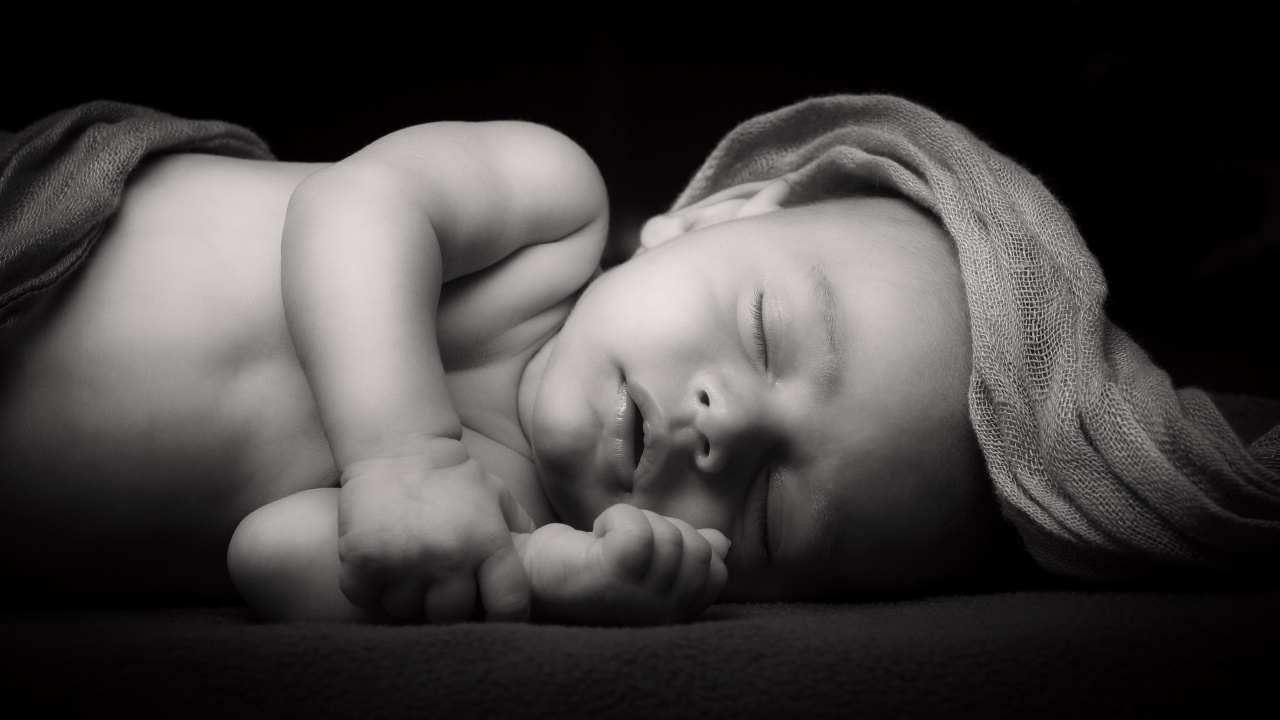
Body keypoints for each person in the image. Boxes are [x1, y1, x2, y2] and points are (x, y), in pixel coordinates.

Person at [2, 96, 1274, 625]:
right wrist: (402, 449)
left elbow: (269, 554)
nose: (725, 424)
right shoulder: (548, 214)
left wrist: (532, 587)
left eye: (771, 506)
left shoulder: (485, 514)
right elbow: (356, 206)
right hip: (44, 218)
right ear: (714, 219)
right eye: (768, 335)